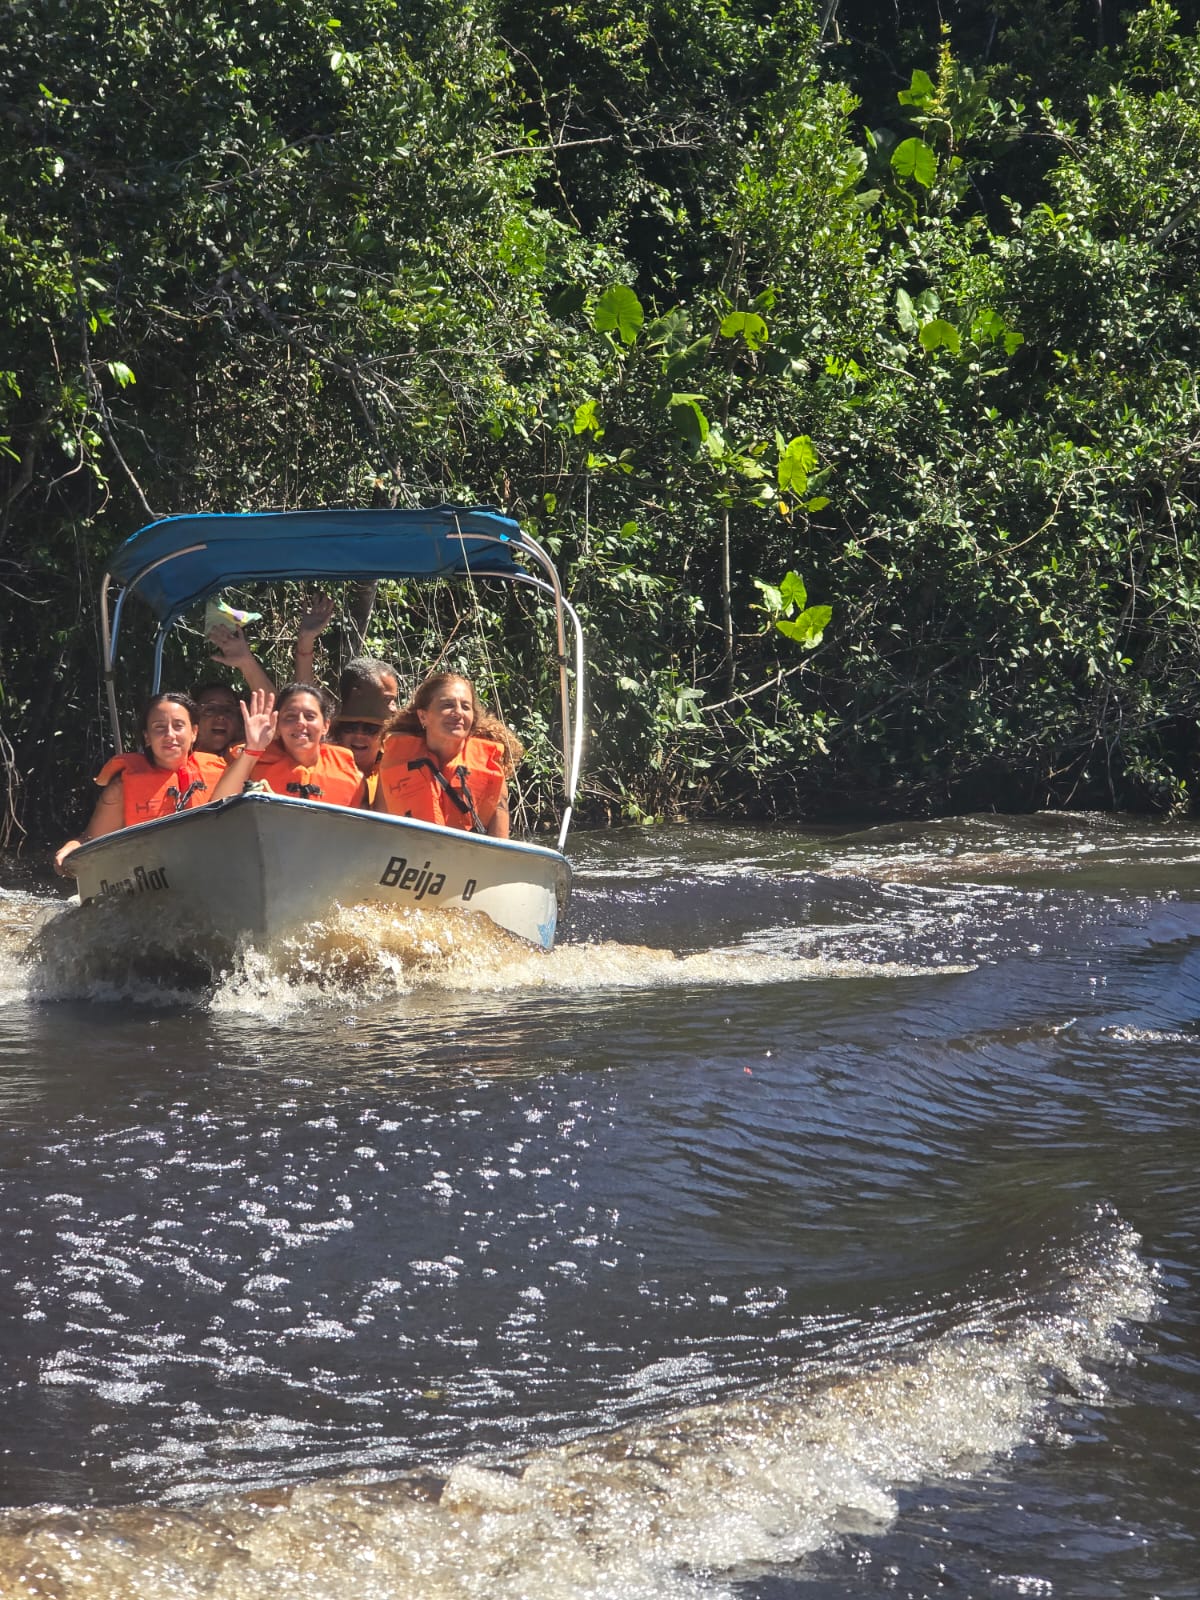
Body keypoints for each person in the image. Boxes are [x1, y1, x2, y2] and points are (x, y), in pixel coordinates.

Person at [53, 692, 224, 876]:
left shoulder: (222, 775)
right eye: (159, 727)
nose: (169, 734)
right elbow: (89, 840)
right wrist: (71, 848)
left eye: (178, 726)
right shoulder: (121, 788)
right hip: (148, 877)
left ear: (194, 733)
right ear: (147, 737)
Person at [374, 673, 521, 838]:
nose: (458, 712)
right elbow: (380, 831)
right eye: (447, 705)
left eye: (465, 706)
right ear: (423, 716)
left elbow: (500, 846)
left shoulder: (491, 767)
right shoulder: (395, 759)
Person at [212, 684, 365, 807]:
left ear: (325, 725)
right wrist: (253, 748)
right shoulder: (251, 764)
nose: (300, 723)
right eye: (290, 716)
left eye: (310, 716)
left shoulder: (353, 775)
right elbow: (217, 806)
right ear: (277, 726)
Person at [327, 673, 395, 805]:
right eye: (350, 727)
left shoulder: (395, 772)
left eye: (370, 729)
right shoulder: (318, 763)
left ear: (383, 736)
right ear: (338, 732)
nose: (359, 735)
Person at [192, 682, 243, 760]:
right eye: (210, 709)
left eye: (228, 710)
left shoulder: (246, 756)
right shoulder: (175, 761)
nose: (221, 716)